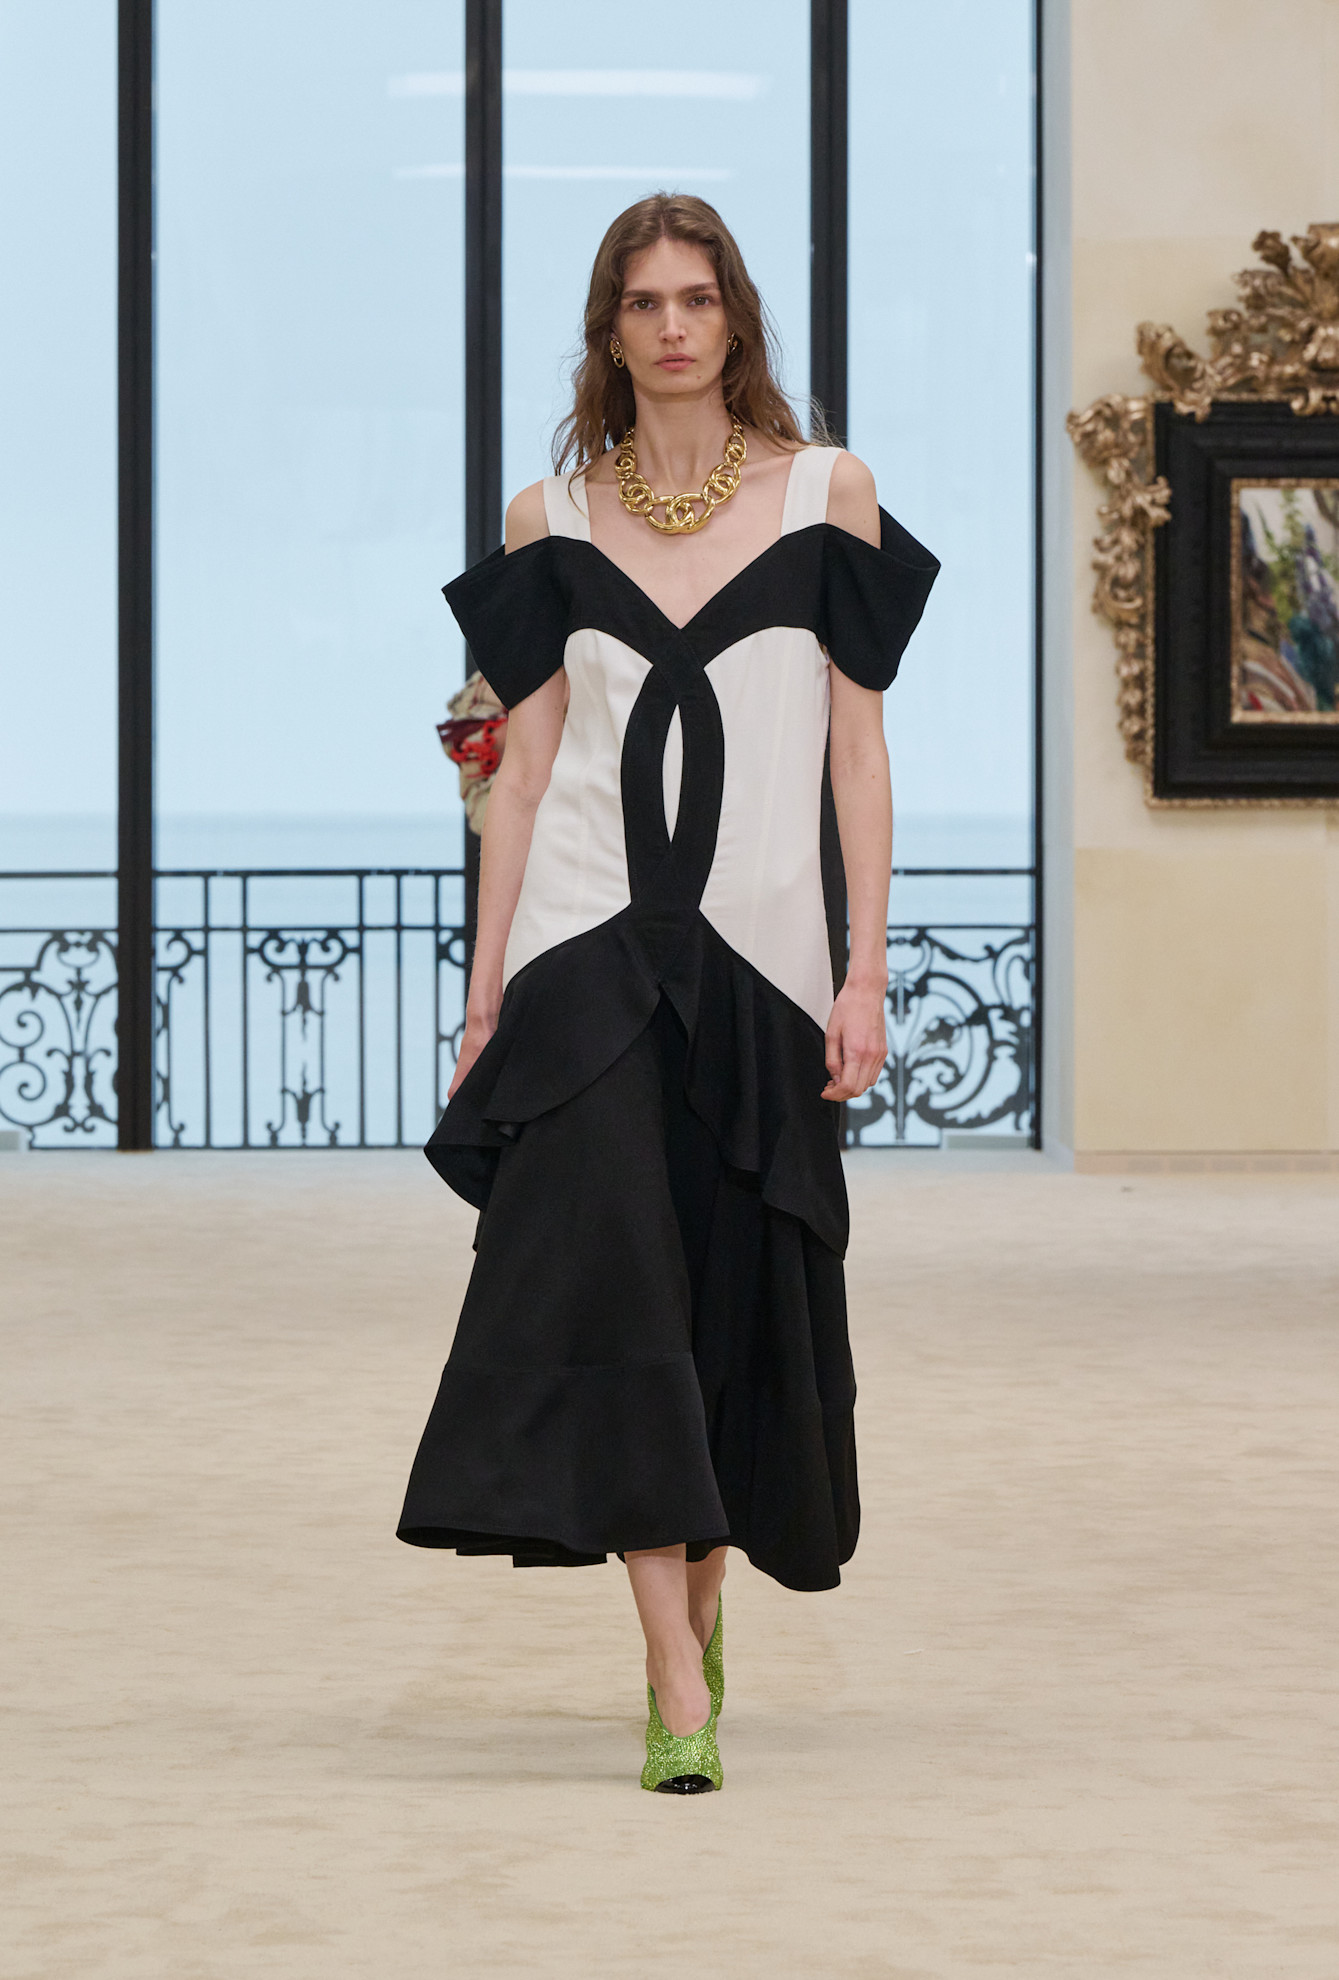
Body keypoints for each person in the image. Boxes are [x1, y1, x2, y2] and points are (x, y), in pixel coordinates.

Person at [398, 193, 938, 1794]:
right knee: (615, 1287)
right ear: (610, 329)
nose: (674, 326)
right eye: (644, 302)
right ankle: (669, 1671)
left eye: (697, 297)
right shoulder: (548, 518)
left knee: (725, 1290)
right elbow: (525, 769)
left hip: (767, 961)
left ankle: (701, 1599)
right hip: (585, 954)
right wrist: (485, 991)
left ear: (736, 319)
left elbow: (857, 755)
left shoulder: (827, 496)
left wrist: (864, 970)